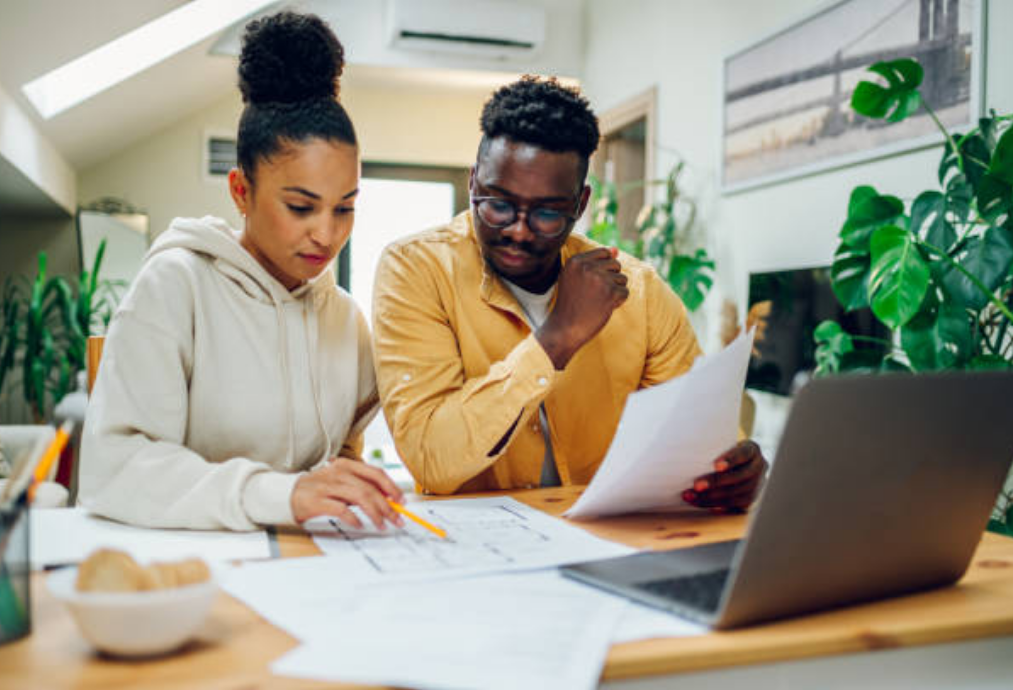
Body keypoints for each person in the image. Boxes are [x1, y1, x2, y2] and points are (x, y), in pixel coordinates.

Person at [372, 76, 766, 511]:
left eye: (545, 213)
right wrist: (556, 338)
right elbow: (432, 459)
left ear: (579, 205)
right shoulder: (416, 269)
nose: (518, 230)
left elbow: (698, 432)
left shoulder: (640, 292)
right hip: (473, 549)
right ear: (472, 183)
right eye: (498, 205)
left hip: (603, 537)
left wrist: (734, 466)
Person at [80, 11, 404, 532]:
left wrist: (348, 481)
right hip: (187, 569)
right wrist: (281, 493)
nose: (327, 234)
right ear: (240, 191)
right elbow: (113, 469)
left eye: (345, 207)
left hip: (307, 566)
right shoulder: (175, 286)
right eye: (301, 207)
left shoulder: (344, 317)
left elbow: (344, 449)